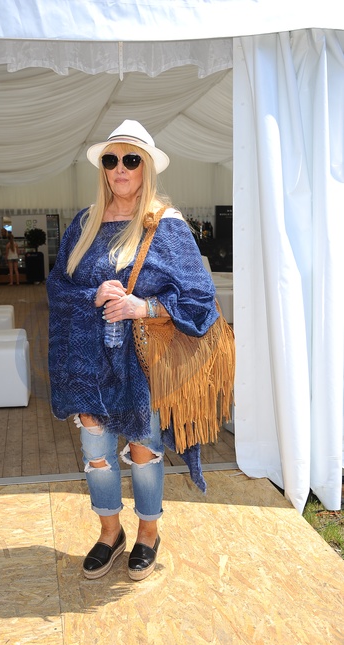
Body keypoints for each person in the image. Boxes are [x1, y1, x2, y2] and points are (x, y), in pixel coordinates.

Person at [47, 120, 218, 582]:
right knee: (96, 451)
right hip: (88, 362)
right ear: (103, 168)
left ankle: (147, 533)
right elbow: (57, 288)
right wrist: (93, 296)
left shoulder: (166, 225)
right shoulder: (84, 224)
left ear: (146, 168)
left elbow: (201, 301)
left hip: (141, 362)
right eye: (111, 159)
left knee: (144, 450)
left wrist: (144, 306)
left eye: (130, 160)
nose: (119, 168)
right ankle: (110, 533)